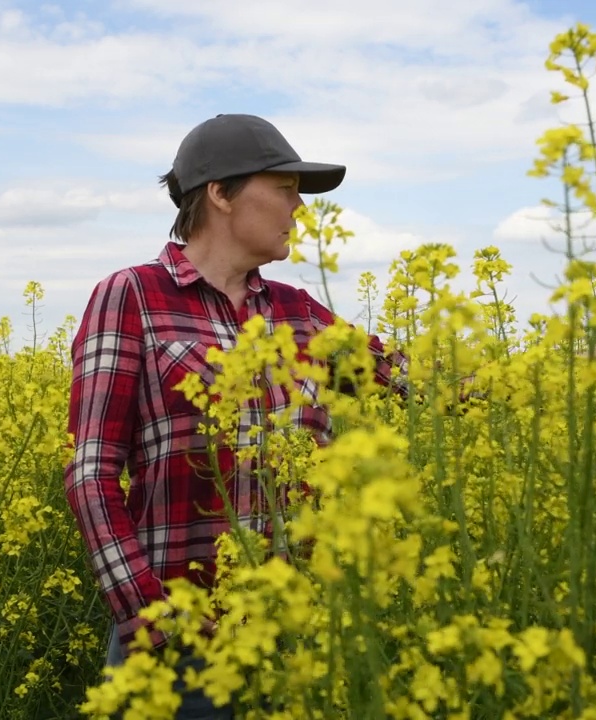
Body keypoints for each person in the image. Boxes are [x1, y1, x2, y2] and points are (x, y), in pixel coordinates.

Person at [62, 113, 407, 718]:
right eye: (284, 189)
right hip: (183, 644)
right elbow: (92, 473)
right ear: (219, 193)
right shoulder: (133, 295)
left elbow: (408, 384)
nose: (298, 207)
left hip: (296, 637)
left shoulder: (299, 311)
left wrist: (567, 364)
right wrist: (152, 618)